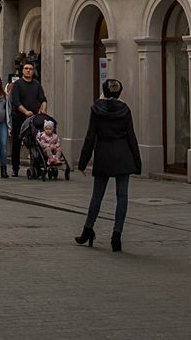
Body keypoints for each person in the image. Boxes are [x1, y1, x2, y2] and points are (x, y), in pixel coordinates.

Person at [76, 77, 142, 252]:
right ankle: (116, 236)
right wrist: (137, 160)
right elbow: (131, 136)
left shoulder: (97, 109)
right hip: (123, 153)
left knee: (97, 195)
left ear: (104, 91)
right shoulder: (125, 110)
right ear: (119, 92)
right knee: (122, 197)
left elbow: (90, 136)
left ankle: (87, 230)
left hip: (104, 153)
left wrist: (83, 161)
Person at [6, 62, 45, 177]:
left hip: (33, 118)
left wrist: (43, 110)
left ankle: (37, 166)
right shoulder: (17, 84)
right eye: (26, 68)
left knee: (37, 141)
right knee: (17, 143)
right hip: (19, 117)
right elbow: (16, 102)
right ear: (22, 71)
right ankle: (15, 168)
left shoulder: (37, 85)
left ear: (33, 71)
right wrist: (25, 112)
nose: (28, 70)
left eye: (30, 69)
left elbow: (43, 99)